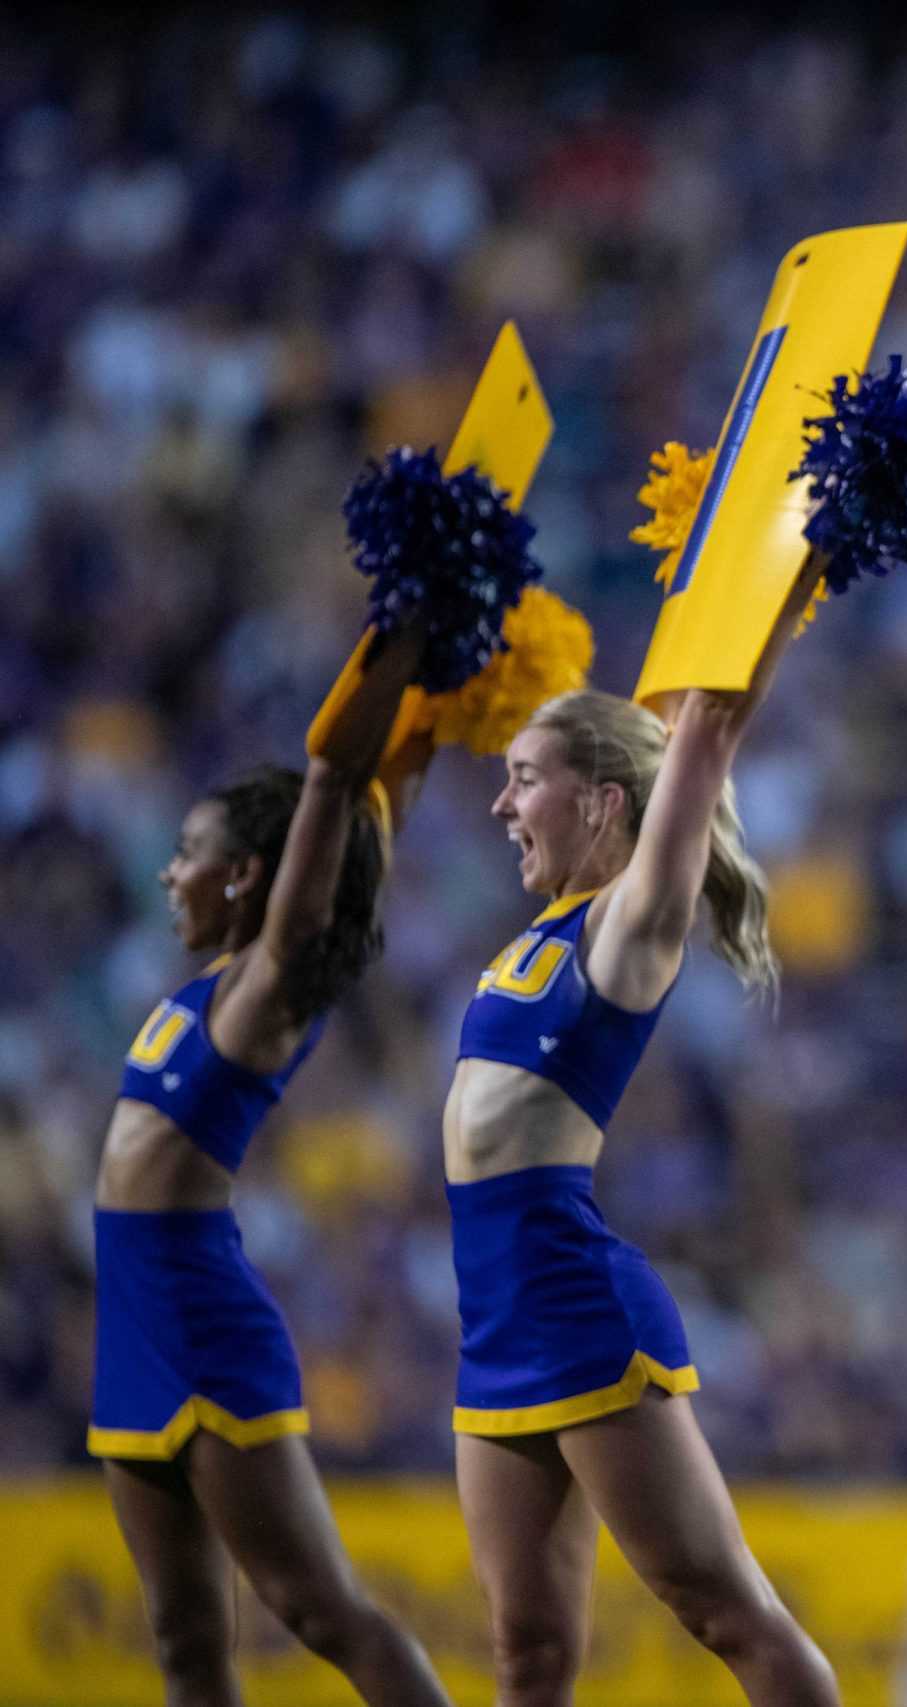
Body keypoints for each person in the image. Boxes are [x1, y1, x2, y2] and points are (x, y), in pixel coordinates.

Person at [441, 566, 835, 1707]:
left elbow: (700, 731)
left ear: (604, 803)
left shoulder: (627, 928)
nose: (502, 805)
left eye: (524, 781)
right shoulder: (545, 931)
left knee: (725, 1612)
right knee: (526, 1653)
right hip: (494, 1316)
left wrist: (755, 557)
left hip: (573, 1305)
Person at [93, 621, 452, 1707]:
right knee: (183, 1640)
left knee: (316, 1610)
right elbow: (369, 819)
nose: (168, 871)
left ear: (248, 876)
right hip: (133, 1319)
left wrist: (390, 665)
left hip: (200, 1316)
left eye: (189, 853)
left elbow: (342, 833)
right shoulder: (199, 987)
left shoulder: (263, 993)